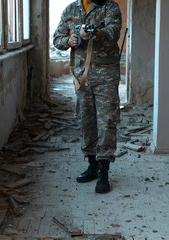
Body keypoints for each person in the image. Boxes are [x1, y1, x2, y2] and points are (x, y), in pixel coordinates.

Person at [53, 0, 122, 194]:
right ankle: (92, 165)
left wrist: (95, 33)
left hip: (106, 75)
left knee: (107, 121)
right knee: (86, 121)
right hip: (81, 76)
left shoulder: (109, 7)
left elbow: (113, 33)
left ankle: (104, 171)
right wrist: (70, 41)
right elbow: (57, 38)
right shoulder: (70, 10)